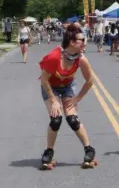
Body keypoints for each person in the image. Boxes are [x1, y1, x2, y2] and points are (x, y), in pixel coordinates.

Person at [38, 24, 98, 170]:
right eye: (82, 40)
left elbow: (90, 81)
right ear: (72, 42)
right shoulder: (54, 57)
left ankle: (89, 149)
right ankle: (49, 151)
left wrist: (77, 99)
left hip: (68, 87)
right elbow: (44, 79)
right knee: (56, 119)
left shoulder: (81, 59)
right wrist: (53, 100)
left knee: (72, 119)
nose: (85, 42)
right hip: (50, 87)